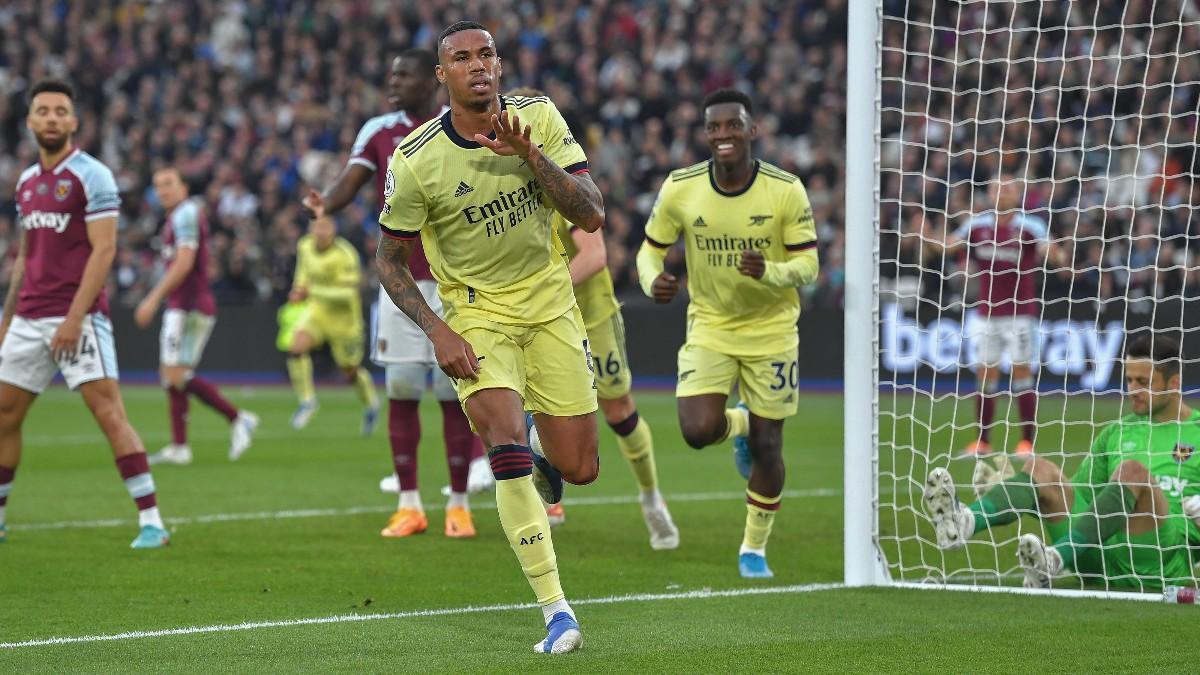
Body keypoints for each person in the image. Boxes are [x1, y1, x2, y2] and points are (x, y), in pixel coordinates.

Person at [376, 21, 604, 654]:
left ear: (499, 66)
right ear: (443, 76)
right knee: (501, 445)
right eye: (461, 58)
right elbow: (389, 260)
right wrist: (436, 328)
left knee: (579, 468)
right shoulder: (416, 160)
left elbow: (591, 213)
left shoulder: (540, 116)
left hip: (552, 303)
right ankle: (556, 610)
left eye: (486, 55)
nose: (477, 65)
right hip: (476, 315)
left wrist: (528, 155)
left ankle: (539, 447)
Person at [635, 88, 819, 579]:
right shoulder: (681, 188)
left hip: (772, 331)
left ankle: (753, 549)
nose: (723, 135)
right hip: (711, 325)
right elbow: (648, 250)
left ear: (752, 130)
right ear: (705, 134)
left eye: (733, 125)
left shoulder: (785, 190)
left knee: (769, 448)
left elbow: (809, 264)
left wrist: (771, 272)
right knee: (696, 431)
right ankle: (737, 422)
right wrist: (651, 280)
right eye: (714, 127)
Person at [303, 48, 482, 539]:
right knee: (403, 385)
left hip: (454, 278)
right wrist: (326, 204)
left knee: (452, 390)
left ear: (433, 79)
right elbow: (352, 180)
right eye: (392, 74)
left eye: (404, 74)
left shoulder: (461, 122)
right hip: (400, 277)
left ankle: (459, 504)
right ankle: (409, 505)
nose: (394, 82)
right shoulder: (379, 130)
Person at [506, 85, 677, 547]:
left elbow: (596, 253)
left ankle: (651, 498)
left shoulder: (566, 182)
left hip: (592, 315)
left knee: (619, 410)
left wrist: (541, 282)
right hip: (540, 320)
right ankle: (547, 495)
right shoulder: (504, 190)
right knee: (525, 405)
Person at [0, 79, 167, 548]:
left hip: (77, 317)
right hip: (29, 317)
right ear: (31, 121)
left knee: (109, 413)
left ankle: (152, 521)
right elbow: (26, 257)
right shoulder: (27, 182)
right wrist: (8, 319)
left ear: (73, 122)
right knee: (4, 417)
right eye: (43, 111)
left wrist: (74, 318)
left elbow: (105, 249)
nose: (51, 118)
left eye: (60, 111)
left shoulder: (92, 175)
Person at [924, 332, 1199, 590]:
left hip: (1158, 562)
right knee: (1039, 468)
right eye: (1129, 380)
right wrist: (1018, 493)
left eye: (1144, 382)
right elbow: (1081, 498)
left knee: (1133, 472)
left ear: (1174, 384)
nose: (1132, 390)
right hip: (1097, 557)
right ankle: (965, 522)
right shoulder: (1117, 432)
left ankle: (1055, 559)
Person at [135, 167, 258, 465]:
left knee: (175, 375)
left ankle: (238, 417)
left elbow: (184, 263)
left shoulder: (186, 214)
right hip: (183, 305)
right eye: (158, 185)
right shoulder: (176, 216)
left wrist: (152, 298)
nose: (162, 190)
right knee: (171, 377)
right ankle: (180, 447)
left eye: (168, 183)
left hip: (189, 306)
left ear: (184, 187)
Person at [937, 175, 1062, 457]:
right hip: (986, 314)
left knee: (1021, 374)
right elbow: (946, 246)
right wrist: (924, 235)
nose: (1001, 193)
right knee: (985, 375)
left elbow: (1049, 251)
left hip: (1020, 313)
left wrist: (1055, 253)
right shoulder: (977, 225)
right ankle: (982, 441)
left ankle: (1026, 443)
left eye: (1007, 189)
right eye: (995, 188)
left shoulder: (1031, 226)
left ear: (1017, 195)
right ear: (989, 194)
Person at [286, 214, 378, 434]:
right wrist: (298, 289)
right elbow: (303, 274)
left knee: (350, 372)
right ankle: (308, 401)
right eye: (317, 226)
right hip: (318, 311)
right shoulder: (305, 245)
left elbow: (348, 294)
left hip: (345, 320)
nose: (320, 231)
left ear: (334, 229)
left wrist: (311, 291)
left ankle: (371, 403)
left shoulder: (345, 255)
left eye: (325, 226)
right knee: (296, 348)